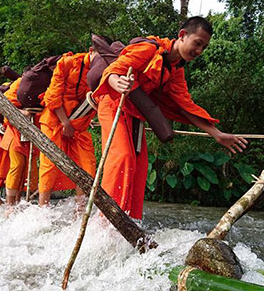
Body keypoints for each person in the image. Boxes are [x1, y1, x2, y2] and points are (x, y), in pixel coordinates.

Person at [92, 16, 248, 219]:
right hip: (114, 104)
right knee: (122, 158)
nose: (199, 51)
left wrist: (216, 134)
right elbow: (115, 70)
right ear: (182, 35)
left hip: (135, 115)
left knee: (140, 169)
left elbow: (186, 107)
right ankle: (107, 219)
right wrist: (116, 82)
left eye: (204, 47)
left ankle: (129, 220)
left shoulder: (176, 71)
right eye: (197, 43)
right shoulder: (149, 50)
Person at [38, 49, 97, 207]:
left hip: (77, 126)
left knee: (87, 166)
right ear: (91, 51)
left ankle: (80, 210)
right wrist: (65, 123)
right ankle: (42, 209)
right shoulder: (66, 63)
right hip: (54, 120)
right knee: (49, 164)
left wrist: (81, 121)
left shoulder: (100, 71)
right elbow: (52, 96)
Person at [0, 78, 40, 206]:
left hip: (32, 133)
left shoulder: (42, 86)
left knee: (26, 169)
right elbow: (5, 108)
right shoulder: (16, 88)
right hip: (15, 132)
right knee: (17, 166)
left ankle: (18, 201)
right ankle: (9, 204)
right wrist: (24, 113)